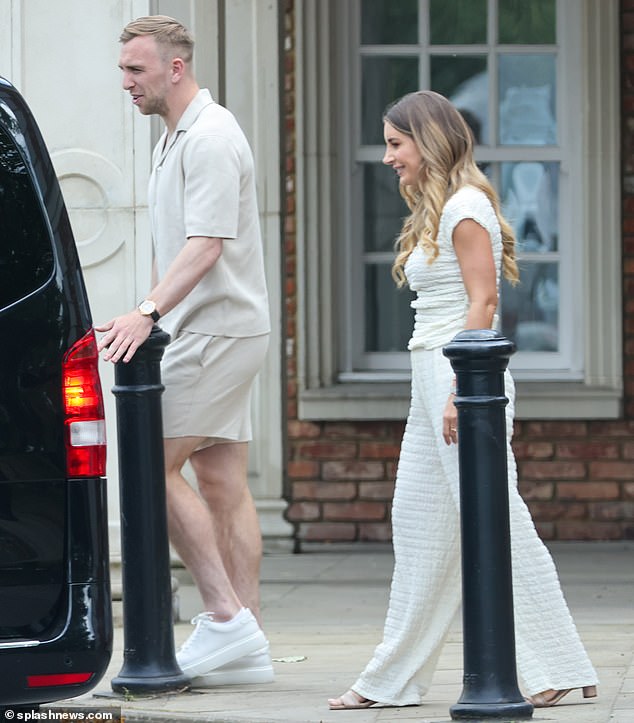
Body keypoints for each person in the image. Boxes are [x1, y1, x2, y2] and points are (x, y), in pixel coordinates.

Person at [327, 90, 598, 711]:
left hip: (463, 381)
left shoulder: (466, 206)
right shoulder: (440, 206)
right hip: (434, 379)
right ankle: (391, 679)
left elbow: (484, 304)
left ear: (429, 141)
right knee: (421, 523)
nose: (388, 156)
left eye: (396, 143)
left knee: (496, 519)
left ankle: (553, 663)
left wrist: (460, 394)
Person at [96, 15, 273, 688]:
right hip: (207, 328)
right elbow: (171, 248)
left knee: (150, 463)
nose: (125, 83)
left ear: (175, 68)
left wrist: (147, 313)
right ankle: (248, 641)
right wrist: (151, 309)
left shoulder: (213, 136)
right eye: (122, 70)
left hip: (219, 329)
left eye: (135, 70)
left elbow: (205, 245)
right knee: (224, 483)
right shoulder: (172, 138)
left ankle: (226, 617)